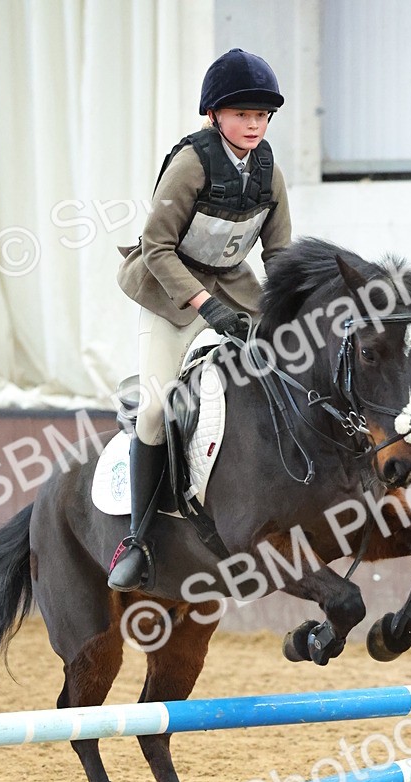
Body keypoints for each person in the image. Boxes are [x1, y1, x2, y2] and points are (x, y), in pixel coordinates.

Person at [109, 48, 293, 590]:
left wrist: (285, 312)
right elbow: (157, 248)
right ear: (215, 115)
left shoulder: (268, 169)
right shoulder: (192, 162)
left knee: (292, 367)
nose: (254, 123)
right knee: (154, 408)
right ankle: (137, 540)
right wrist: (207, 309)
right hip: (170, 290)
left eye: (261, 115)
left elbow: (278, 256)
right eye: (242, 113)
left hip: (236, 286)